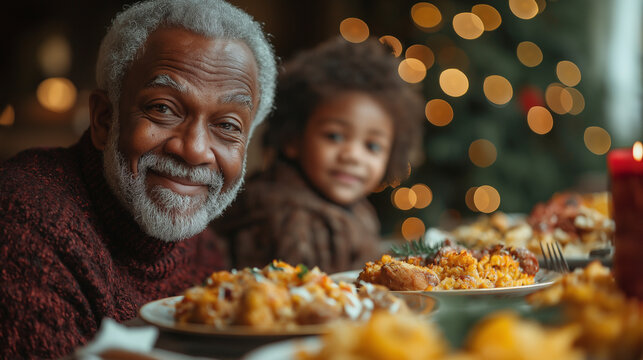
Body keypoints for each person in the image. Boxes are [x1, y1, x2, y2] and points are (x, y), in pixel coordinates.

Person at [0, 0, 276, 358]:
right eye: (162, 108)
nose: (194, 151)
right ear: (103, 119)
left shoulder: (204, 249)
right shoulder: (25, 222)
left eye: (227, 126)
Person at [214, 36, 424, 274]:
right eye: (334, 136)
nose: (353, 156)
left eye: (372, 147)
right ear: (293, 138)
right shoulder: (288, 220)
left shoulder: (358, 209)